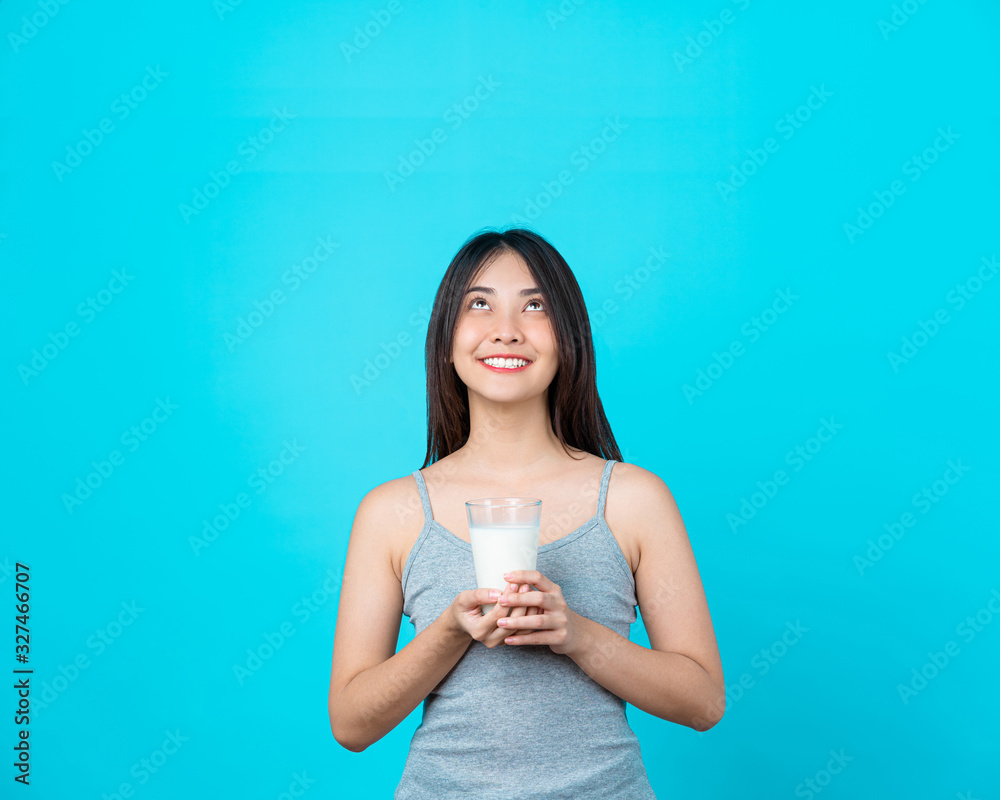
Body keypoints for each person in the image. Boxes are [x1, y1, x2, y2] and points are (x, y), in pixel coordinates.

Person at [328, 227, 725, 798]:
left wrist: (577, 635)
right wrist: (448, 632)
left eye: (534, 305)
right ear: (447, 336)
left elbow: (704, 700)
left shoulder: (634, 500)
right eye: (479, 304)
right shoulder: (391, 513)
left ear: (568, 336)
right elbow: (351, 723)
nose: (506, 331)